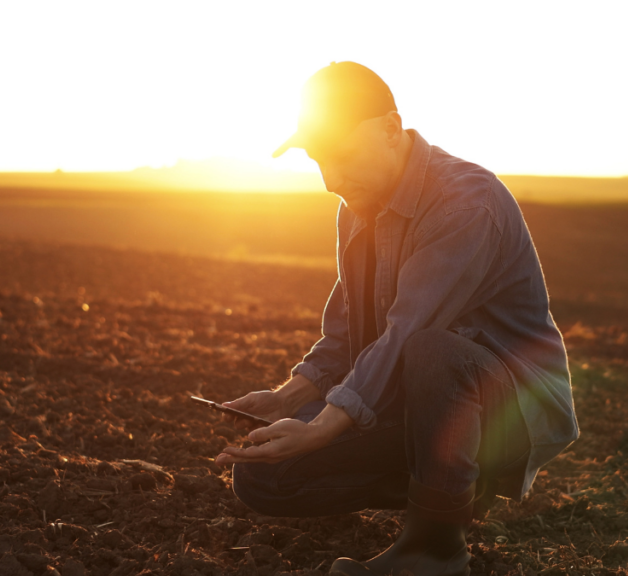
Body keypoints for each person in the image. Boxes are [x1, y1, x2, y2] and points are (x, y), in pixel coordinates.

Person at [214, 61, 579, 576]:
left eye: (341, 155)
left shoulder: (465, 203)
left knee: (432, 349)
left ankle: (435, 548)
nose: (331, 180)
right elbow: (347, 333)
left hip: (504, 411)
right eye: (320, 160)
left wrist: (323, 429)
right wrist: (288, 399)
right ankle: (446, 483)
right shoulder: (357, 208)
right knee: (265, 476)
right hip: (416, 406)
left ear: (390, 128)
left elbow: (407, 331)